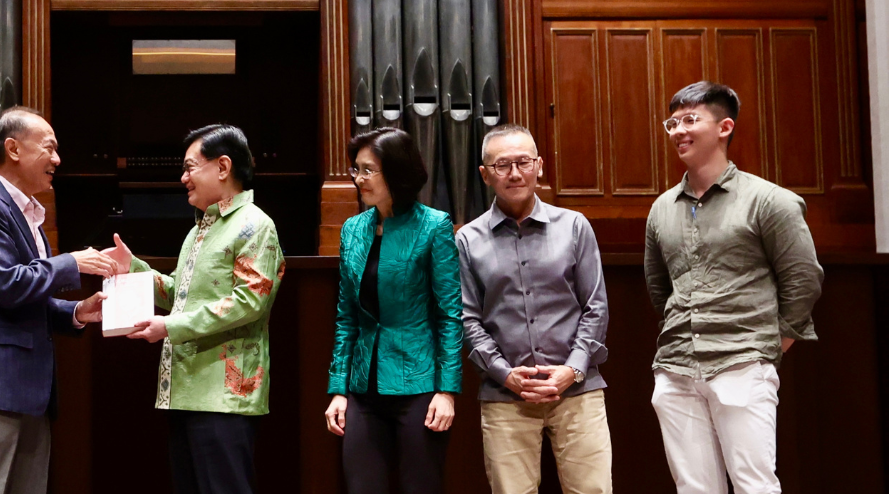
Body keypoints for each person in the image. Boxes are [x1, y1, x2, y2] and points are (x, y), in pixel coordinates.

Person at [646, 81, 823, 493]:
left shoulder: (770, 200)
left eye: (691, 119)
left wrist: (769, 345)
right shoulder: (660, 209)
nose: (678, 131)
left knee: (754, 485)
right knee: (694, 488)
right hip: (675, 367)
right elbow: (660, 288)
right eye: (672, 122)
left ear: (724, 127)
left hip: (744, 362)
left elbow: (804, 279)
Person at [0, 106, 116, 494]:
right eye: (50, 148)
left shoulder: (31, 215)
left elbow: (27, 298)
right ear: (13, 149)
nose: (57, 159)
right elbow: (8, 284)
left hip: (29, 393)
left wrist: (76, 312)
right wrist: (72, 261)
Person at [107, 124, 285, 494]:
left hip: (225, 395)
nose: (183, 178)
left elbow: (249, 302)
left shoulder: (255, 225)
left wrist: (169, 327)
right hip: (185, 391)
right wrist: (134, 267)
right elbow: (180, 295)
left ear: (223, 167)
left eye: (190, 167)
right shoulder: (199, 229)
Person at [457, 124, 612, 493]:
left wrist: (572, 369)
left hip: (578, 391)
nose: (514, 173)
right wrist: (503, 373)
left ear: (539, 165)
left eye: (523, 162)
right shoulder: (467, 239)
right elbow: (467, 317)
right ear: (485, 174)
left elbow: (595, 306)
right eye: (502, 165)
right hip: (505, 395)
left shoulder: (574, 226)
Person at [321, 127, 462, 494]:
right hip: (362, 387)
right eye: (356, 170)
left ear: (396, 173)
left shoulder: (434, 227)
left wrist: (447, 391)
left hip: (419, 387)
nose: (359, 179)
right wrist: (338, 389)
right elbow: (346, 316)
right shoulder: (353, 229)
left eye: (369, 170)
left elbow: (449, 316)